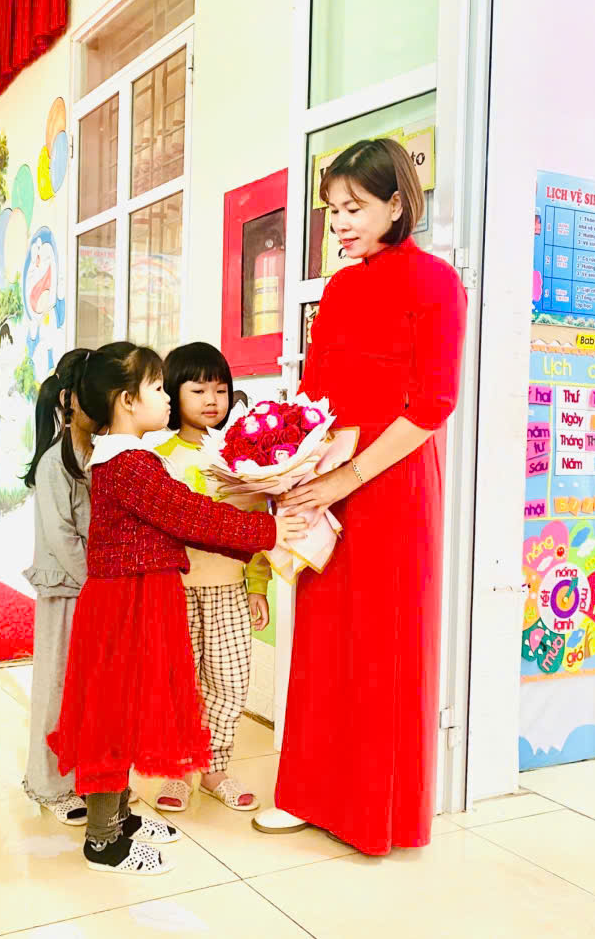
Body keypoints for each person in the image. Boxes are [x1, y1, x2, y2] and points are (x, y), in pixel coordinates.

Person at [253, 137, 468, 854]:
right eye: (333, 210)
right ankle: (308, 794)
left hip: (392, 484)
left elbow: (433, 405)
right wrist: (281, 468)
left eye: (355, 207)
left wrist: (343, 478)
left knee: (383, 643)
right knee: (321, 636)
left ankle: (374, 813)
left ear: (397, 204)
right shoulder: (340, 288)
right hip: (328, 476)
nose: (340, 223)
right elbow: (315, 397)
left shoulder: (436, 281)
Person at [47, 345, 306, 875]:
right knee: (113, 718)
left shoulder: (129, 457)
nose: (166, 398)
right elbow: (190, 515)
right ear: (126, 400)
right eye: (157, 388)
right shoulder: (128, 464)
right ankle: (104, 842)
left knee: (126, 708)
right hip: (127, 602)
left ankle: (120, 817)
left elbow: (186, 520)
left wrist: (263, 533)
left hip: (140, 596)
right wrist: (269, 530)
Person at [153, 342, 269, 814]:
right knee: (178, 683)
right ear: (172, 393)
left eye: (220, 390)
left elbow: (257, 521)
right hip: (175, 589)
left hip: (229, 588)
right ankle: (179, 768)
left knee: (230, 680)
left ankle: (215, 767)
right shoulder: (158, 454)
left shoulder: (240, 455)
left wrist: (257, 586)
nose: (211, 400)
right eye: (198, 389)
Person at [20, 348, 94, 825]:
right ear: (70, 400)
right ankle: (48, 784)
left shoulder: (96, 453)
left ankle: (84, 776)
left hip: (91, 590)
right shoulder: (54, 462)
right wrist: (93, 584)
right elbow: (63, 536)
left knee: (85, 691)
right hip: (68, 591)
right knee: (56, 687)